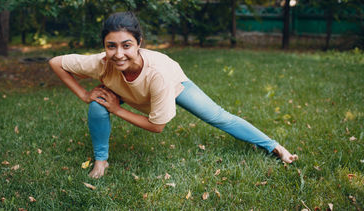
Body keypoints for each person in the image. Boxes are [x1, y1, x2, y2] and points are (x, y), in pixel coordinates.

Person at [49, 11, 298, 179]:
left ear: (139, 43)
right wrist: (84, 95)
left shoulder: (159, 74)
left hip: (172, 85)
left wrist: (117, 109)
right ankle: (101, 161)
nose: (118, 54)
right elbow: (56, 62)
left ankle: (274, 146)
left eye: (126, 45)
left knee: (219, 117)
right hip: (124, 89)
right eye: (110, 46)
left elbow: (158, 126)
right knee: (97, 105)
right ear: (104, 46)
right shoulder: (101, 62)